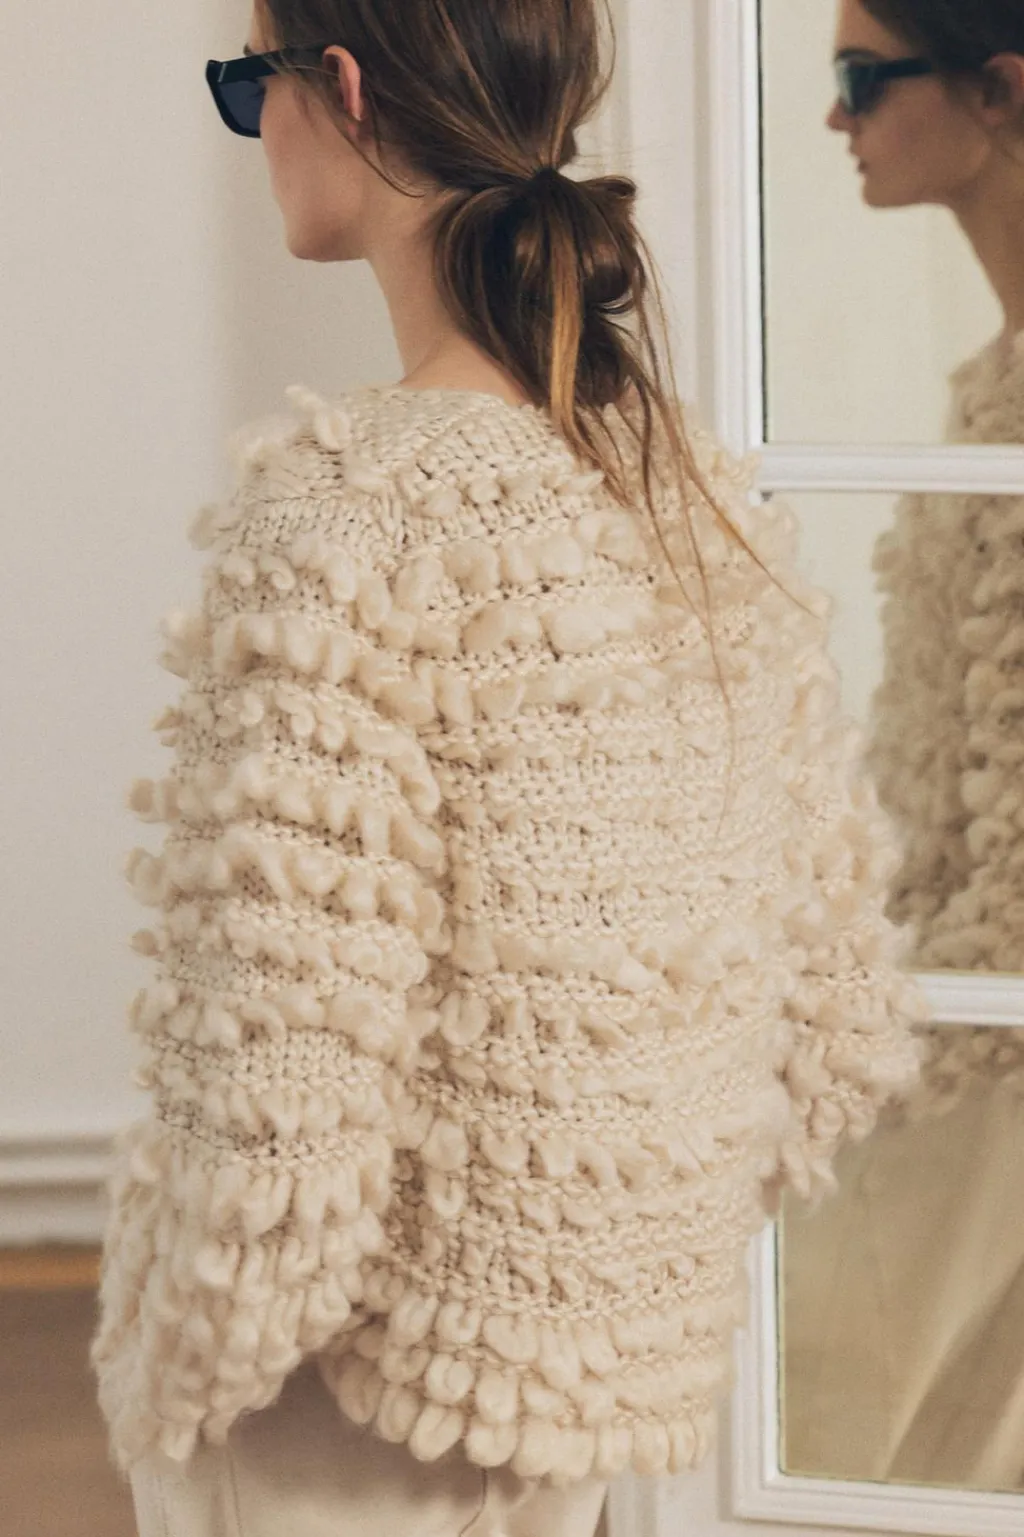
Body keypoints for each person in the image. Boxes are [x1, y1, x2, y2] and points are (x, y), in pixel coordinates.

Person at [89, 1, 929, 1532]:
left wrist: (176, 1370)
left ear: (339, 91)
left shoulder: (341, 515)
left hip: (332, 1414)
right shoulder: (691, 496)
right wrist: (610, 1267)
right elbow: (835, 1019)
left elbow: (274, 1087)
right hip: (575, 1396)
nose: (255, 133)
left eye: (247, 86)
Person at [781, 0, 1024, 1490]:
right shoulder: (990, 389)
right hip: (956, 1004)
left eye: (862, 78)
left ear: (999, 92)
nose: (837, 118)